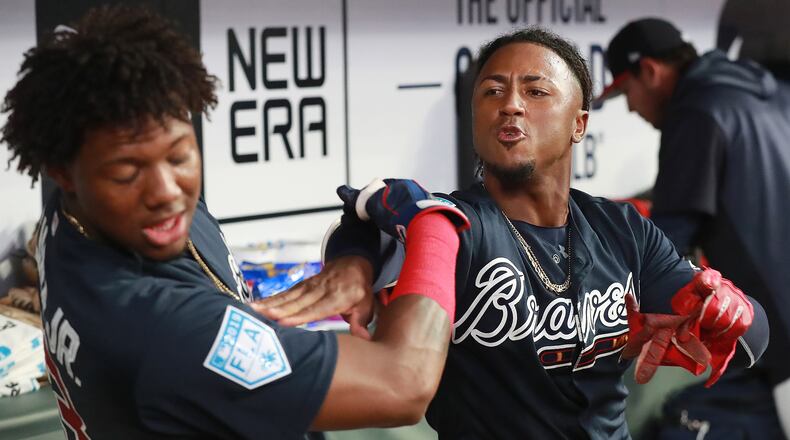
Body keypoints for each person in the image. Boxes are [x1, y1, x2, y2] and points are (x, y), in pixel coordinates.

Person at [256, 27, 770, 439]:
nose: (511, 104)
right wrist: (354, 263)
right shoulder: (454, 223)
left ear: (579, 122)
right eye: (492, 90)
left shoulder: (622, 230)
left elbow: (754, 340)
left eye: (537, 90)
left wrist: (730, 311)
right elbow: (367, 218)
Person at [0, 5, 472, 439]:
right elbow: (404, 383)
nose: (167, 191)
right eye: (127, 172)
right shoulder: (164, 328)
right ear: (63, 171)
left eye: (180, 154)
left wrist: (356, 259)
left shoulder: (72, 215)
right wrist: (436, 224)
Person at [598, 17, 790, 439]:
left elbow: (665, 249)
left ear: (649, 71)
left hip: (780, 353)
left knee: (681, 426)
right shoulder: (768, 91)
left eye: (627, 91)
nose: (631, 107)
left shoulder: (696, 112)